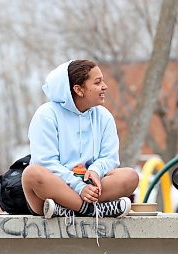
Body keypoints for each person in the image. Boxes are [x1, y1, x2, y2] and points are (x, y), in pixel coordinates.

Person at [22, 59, 139, 220]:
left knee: (130, 176)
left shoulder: (104, 116)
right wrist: (78, 186)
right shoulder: (46, 114)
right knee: (32, 173)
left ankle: (71, 209)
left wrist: (95, 171)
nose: (104, 86)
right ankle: (91, 210)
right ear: (78, 89)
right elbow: (45, 162)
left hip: (90, 188)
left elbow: (110, 158)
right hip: (54, 192)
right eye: (97, 83)